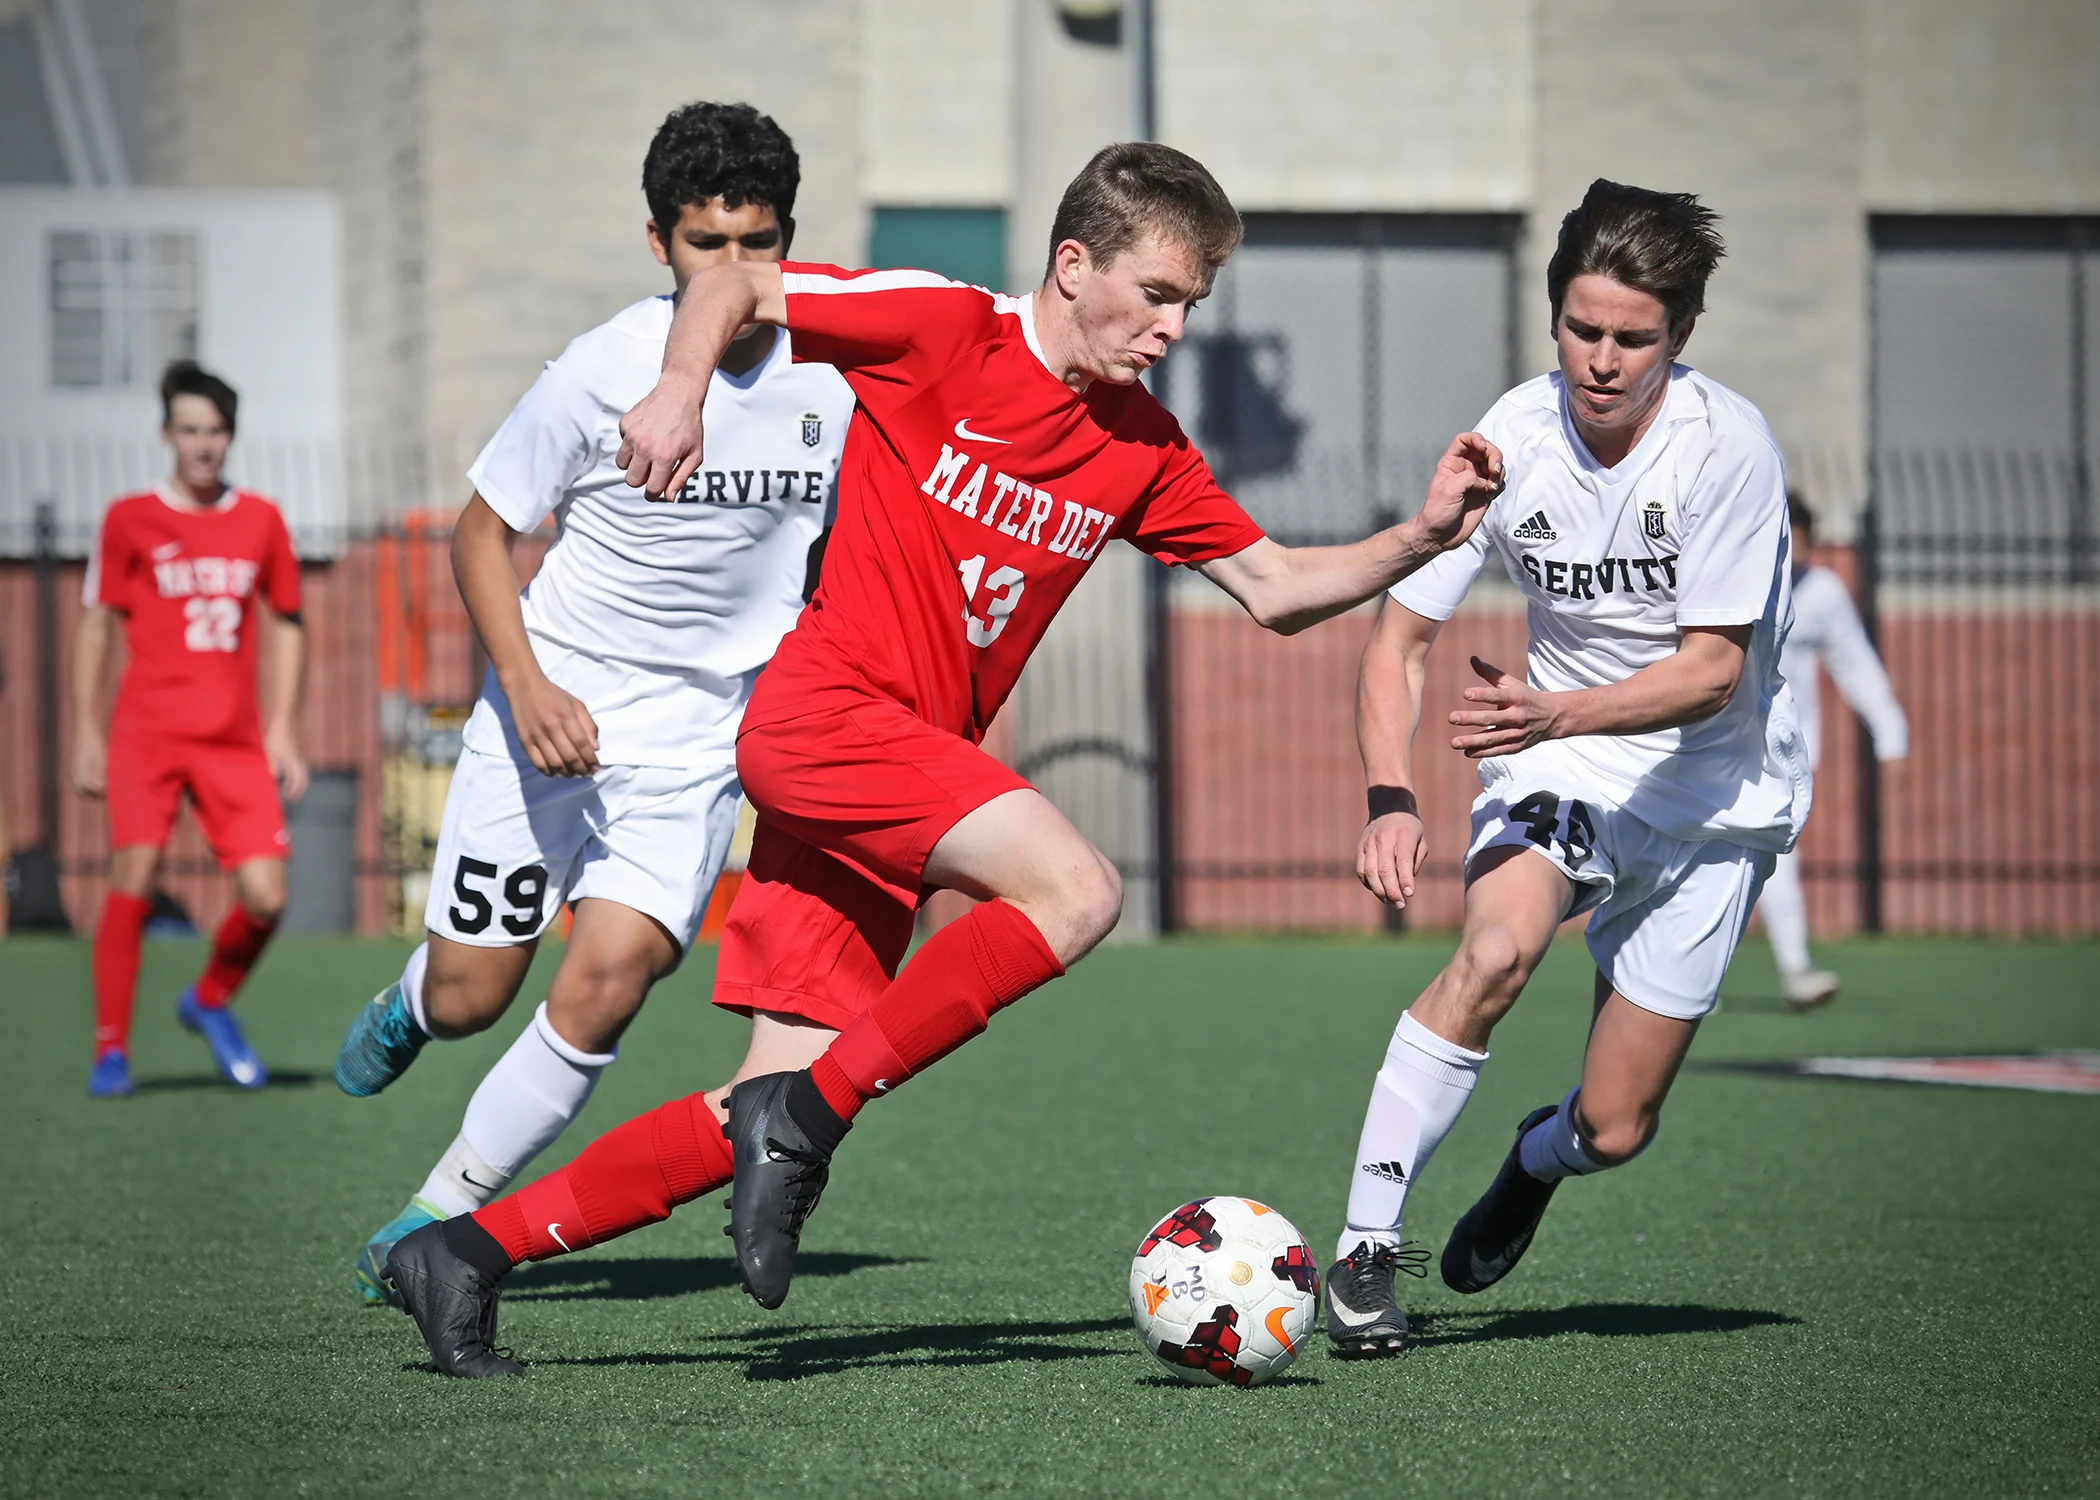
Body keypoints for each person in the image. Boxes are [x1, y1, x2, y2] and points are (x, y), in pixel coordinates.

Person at [382, 140, 1507, 1377]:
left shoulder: (1141, 444)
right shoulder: (943, 329)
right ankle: (804, 1127)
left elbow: (1280, 589)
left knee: (752, 1103)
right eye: (1159, 295)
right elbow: (735, 287)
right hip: (823, 720)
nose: (1175, 328)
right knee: (1078, 893)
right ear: (1074, 265)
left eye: (1194, 305)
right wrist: (679, 390)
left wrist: (1422, 531)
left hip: (894, 783)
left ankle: (467, 1256)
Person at [331, 102, 854, 1305]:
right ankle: (414, 1000)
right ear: (656, 242)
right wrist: (527, 685)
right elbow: (482, 534)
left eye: (756, 242)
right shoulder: (600, 369)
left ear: (790, 242)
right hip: (546, 708)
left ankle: (436, 1215)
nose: (731, 269)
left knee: (610, 974)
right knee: (474, 994)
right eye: (702, 242)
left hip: (698, 741)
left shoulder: (840, 377)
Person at [1325, 180, 1811, 1357]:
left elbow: (1710, 674)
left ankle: (1537, 1162)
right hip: (1568, 769)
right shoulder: (1513, 438)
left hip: (1713, 796)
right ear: (1554, 318)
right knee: (1495, 951)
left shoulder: (1727, 447)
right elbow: (1398, 640)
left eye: (1633, 338)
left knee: (1618, 1125)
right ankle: (1361, 1255)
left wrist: (1555, 712)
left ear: (1680, 337)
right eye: (1581, 329)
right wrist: (1391, 795)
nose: (1602, 359)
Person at [74, 361, 309, 1098]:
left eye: (213, 432)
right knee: (134, 876)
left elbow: (289, 621)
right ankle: (111, 1050)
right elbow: (94, 625)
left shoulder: (262, 519)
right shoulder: (128, 518)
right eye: (188, 431)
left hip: (233, 741)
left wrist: (281, 729)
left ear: (230, 436)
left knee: (268, 897)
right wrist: (85, 728)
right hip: (146, 736)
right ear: (166, 435)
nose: (202, 446)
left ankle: (207, 1000)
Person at [1758, 492, 1907, 1010]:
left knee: (1776, 856)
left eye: (1801, 535)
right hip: (1712, 744)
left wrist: (1890, 733)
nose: (1792, 546)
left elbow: (1855, 663)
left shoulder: (1822, 593)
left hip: (1785, 757)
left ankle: (1795, 969)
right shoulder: (1735, 583)